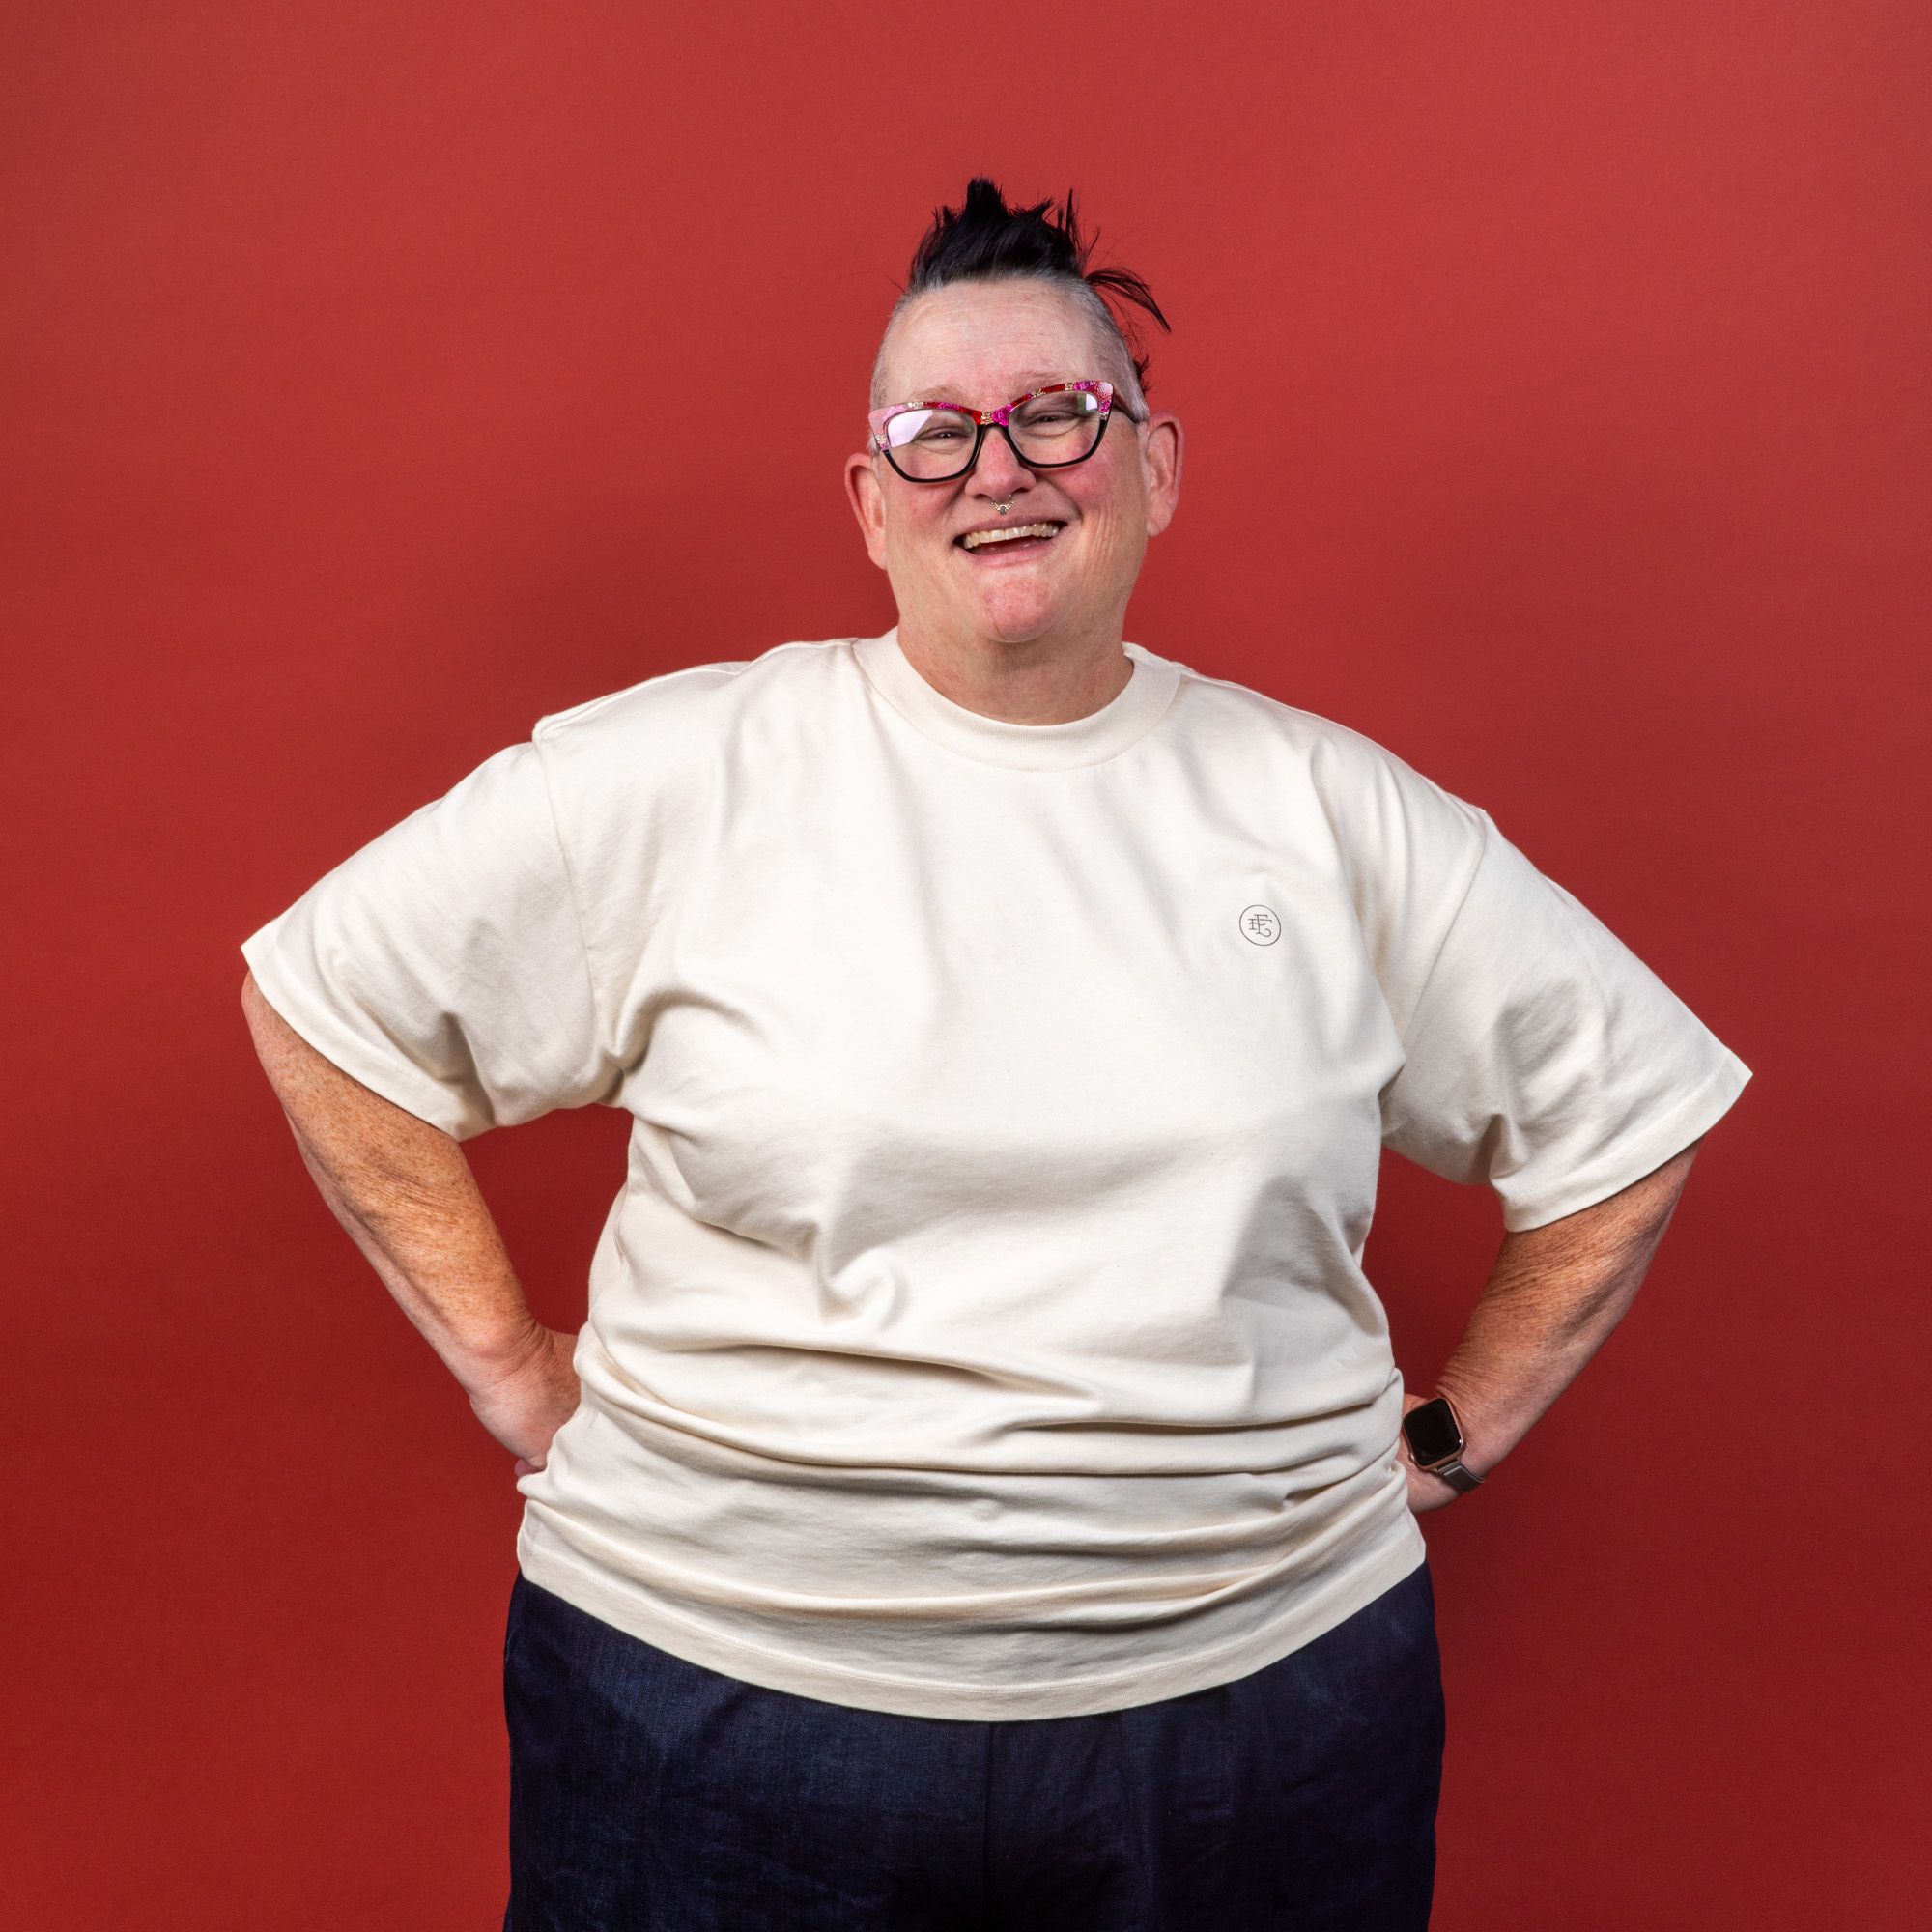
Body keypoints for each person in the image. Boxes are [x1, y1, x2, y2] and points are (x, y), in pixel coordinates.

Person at [239, 178, 1751, 1930]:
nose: (998, 467)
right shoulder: (679, 777)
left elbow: (1629, 1113)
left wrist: (1450, 1439)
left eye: (1057, 414)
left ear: (1156, 467)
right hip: (703, 1706)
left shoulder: (1328, 811)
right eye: (933, 434)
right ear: (871, 508)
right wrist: (509, 1365)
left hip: (1258, 1724)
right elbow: (326, 1002)